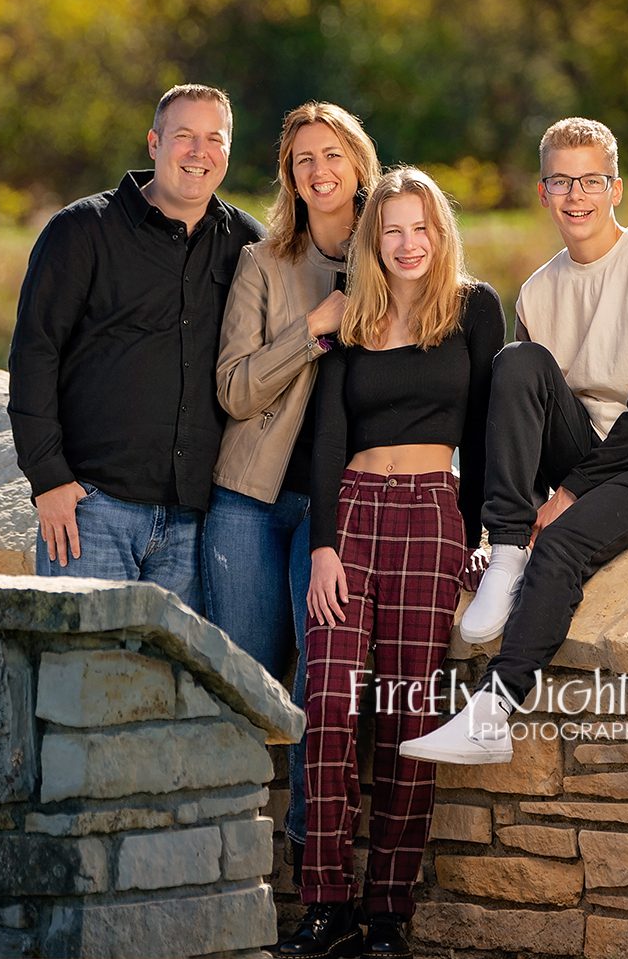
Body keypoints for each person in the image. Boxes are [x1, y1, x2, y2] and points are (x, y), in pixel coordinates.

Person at [400, 116, 628, 765]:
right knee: (517, 362)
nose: (577, 196)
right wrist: (498, 524)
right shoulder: (538, 290)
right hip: (585, 448)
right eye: (562, 181)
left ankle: (490, 716)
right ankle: (506, 553)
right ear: (542, 192)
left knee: (564, 542)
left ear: (615, 188)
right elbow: (527, 412)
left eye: (591, 180)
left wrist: (570, 492)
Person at [279, 167, 504, 959]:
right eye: (393, 230)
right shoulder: (355, 311)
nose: (409, 245)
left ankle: (387, 913)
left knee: (412, 717)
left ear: (441, 233)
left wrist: (481, 537)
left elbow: (485, 435)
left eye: (421, 228)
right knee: (328, 709)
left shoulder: (473, 308)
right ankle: (326, 906)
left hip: (433, 519)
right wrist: (322, 545)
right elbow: (327, 438)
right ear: (374, 240)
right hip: (352, 514)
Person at [205, 102, 381, 887]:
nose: (319, 170)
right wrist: (312, 329)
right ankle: (227, 857)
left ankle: (311, 857)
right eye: (304, 158)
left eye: (333, 154)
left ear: (359, 162)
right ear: (289, 175)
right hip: (249, 499)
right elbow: (235, 389)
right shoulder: (262, 261)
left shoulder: (396, 253)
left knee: (322, 678)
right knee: (242, 677)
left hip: (337, 504)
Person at [7, 84, 265, 613]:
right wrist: (49, 480)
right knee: (84, 665)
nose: (199, 152)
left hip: (195, 525)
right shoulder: (82, 230)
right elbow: (34, 354)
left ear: (228, 150)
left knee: (171, 671)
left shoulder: (247, 243)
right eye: (184, 136)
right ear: (154, 142)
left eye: (214, 139)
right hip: (92, 511)